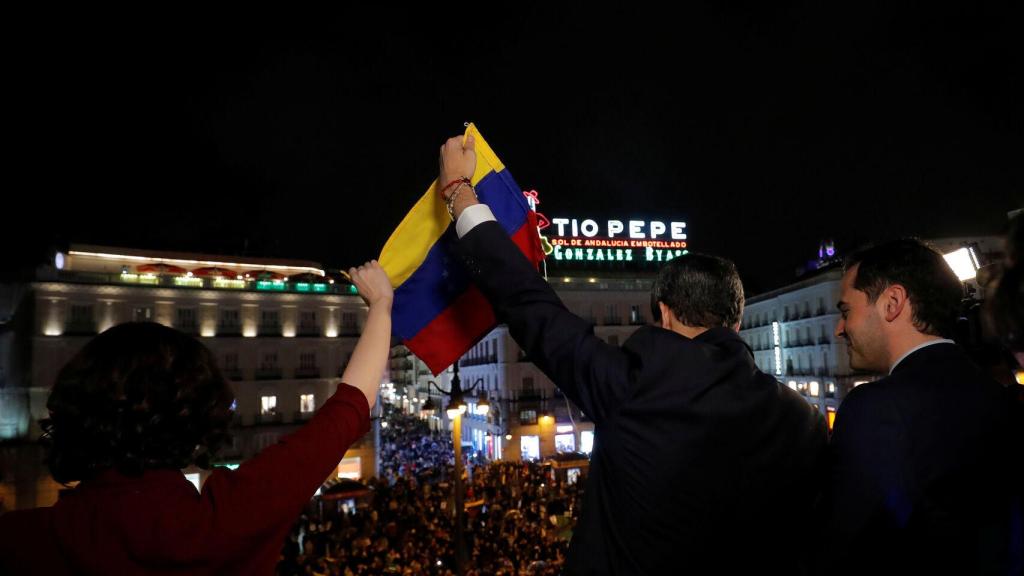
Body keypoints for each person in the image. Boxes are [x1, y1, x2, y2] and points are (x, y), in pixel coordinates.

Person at [438, 135, 828, 574]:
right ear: (735, 321)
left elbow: (530, 304)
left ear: (663, 312)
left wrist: (459, 191)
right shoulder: (803, 419)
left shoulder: (634, 386)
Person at [0, 261, 393, 576]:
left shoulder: (20, 540)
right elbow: (349, 407)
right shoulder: (222, 522)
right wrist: (380, 306)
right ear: (196, 415)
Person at [821, 239, 1022, 575]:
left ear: (892, 303)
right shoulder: (999, 395)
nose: (840, 329)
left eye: (846, 311)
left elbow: (842, 549)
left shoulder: (876, 408)